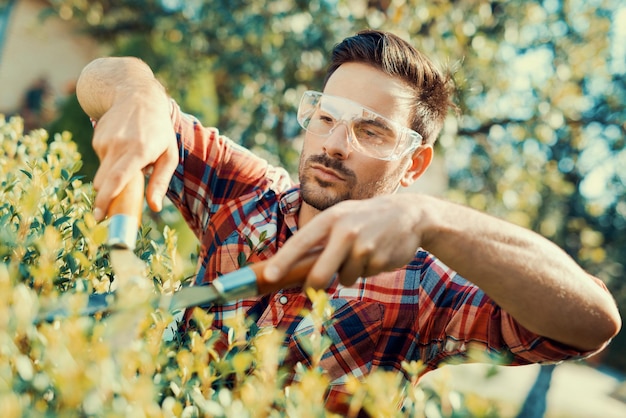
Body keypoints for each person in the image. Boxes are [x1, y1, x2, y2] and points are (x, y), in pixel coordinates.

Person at [76, 30, 621, 414]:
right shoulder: (245, 194)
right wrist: (137, 94)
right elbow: (105, 76)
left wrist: (430, 217)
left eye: (373, 131)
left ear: (414, 164)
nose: (334, 144)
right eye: (325, 117)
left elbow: (591, 324)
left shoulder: (424, 287)